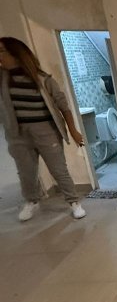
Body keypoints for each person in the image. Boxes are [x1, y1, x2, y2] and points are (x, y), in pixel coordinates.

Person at [0, 36, 87, 221]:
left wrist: (73, 131)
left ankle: (74, 202)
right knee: (26, 172)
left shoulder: (43, 80)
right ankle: (32, 200)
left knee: (59, 170)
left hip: (46, 131)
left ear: (16, 54)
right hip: (18, 133)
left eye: (1, 51)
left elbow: (63, 106)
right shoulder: (3, 80)